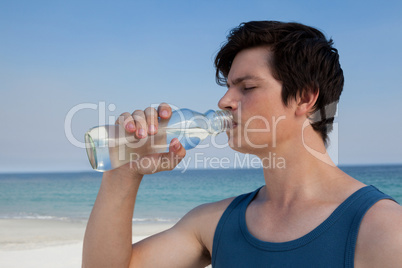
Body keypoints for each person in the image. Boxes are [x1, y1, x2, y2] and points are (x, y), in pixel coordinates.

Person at [82, 21, 402, 267]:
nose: (224, 101)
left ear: (305, 97)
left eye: (246, 87)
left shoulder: (383, 229)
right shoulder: (213, 223)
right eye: (227, 88)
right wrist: (124, 172)